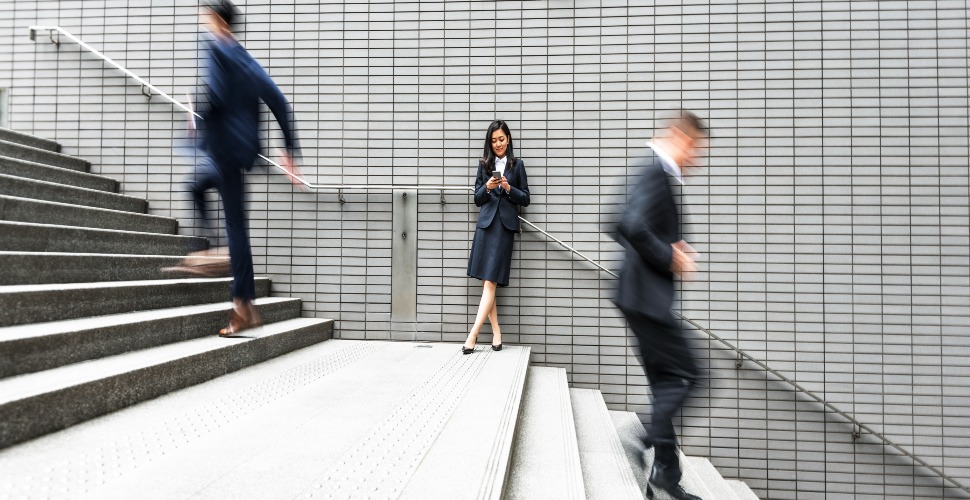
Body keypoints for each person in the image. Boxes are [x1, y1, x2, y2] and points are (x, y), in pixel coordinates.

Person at [188, 0, 302, 337]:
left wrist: (197, 116)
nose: (204, 23)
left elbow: (215, 95)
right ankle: (244, 304)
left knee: (199, 191)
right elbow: (278, 100)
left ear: (219, 21)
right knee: (234, 221)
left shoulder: (216, 50)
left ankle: (212, 249)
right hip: (241, 151)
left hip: (224, 149)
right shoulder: (245, 58)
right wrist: (290, 150)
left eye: (207, 17)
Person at [614, 111, 707, 500]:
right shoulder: (656, 170)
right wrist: (671, 257)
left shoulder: (652, 170)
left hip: (638, 299)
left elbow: (618, 223)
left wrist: (665, 249)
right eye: (695, 148)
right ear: (680, 138)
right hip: (646, 303)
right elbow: (630, 224)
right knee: (695, 375)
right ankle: (646, 431)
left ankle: (665, 475)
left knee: (666, 383)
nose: (696, 159)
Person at [462, 120, 530, 354]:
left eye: (501, 139)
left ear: (508, 139)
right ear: (489, 143)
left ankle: (473, 335)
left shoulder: (517, 165)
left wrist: (509, 188)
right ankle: (497, 333)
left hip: (504, 228)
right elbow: (477, 198)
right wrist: (489, 187)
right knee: (487, 283)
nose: (498, 143)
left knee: (490, 282)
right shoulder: (484, 165)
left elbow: (526, 198)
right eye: (494, 140)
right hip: (485, 226)